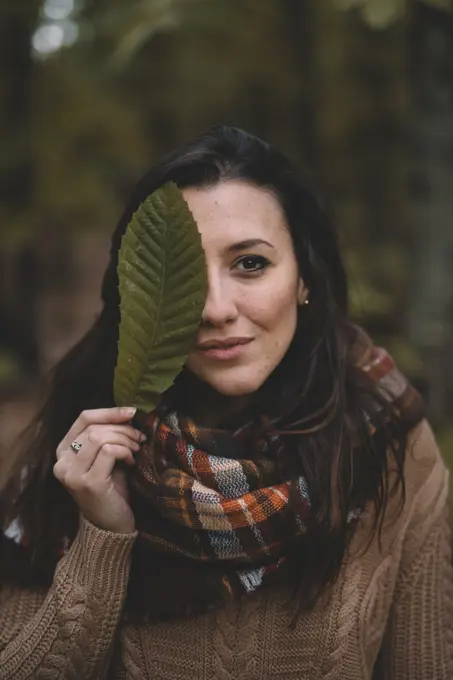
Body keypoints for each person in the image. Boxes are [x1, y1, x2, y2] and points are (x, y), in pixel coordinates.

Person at [0, 126, 451, 679]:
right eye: (184, 281)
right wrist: (101, 538)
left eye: (250, 264)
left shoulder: (386, 441)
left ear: (304, 276)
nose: (214, 308)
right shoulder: (84, 454)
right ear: (142, 300)